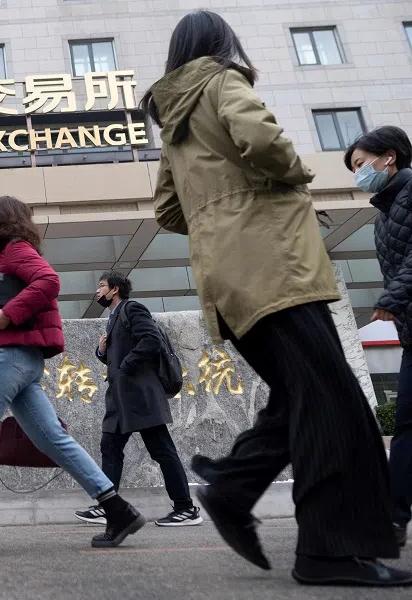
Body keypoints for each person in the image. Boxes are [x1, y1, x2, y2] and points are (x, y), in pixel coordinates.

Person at [141, 9, 411, 587]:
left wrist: (218, 219)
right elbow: (266, 144)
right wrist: (287, 179)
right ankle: (329, 552)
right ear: (222, 43)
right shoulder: (222, 80)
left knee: (302, 396)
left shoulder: (174, 124)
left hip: (228, 279)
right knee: (335, 403)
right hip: (275, 266)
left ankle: (233, 487)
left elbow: (167, 209)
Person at [0, 196, 146, 557]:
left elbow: (49, 281)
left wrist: (8, 312)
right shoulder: (9, 254)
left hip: (10, 356)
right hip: (25, 360)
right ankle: (118, 510)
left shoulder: (16, 250)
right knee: (54, 440)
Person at [75, 271, 201, 528]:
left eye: (102, 286)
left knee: (162, 451)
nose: (97, 291)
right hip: (120, 400)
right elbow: (118, 355)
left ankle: (186, 509)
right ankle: (108, 506)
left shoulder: (132, 309)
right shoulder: (113, 319)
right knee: (110, 449)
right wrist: (101, 351)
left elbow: (152, 340)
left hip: (140, 397)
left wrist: (125, 366)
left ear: (115, 289)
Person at [344, 125, 412, 550]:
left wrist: (392, 297)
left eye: (360, 163)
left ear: (389, 157)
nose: (358, 174)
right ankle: (392, 518)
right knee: (405, 425)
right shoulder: (383, 217)